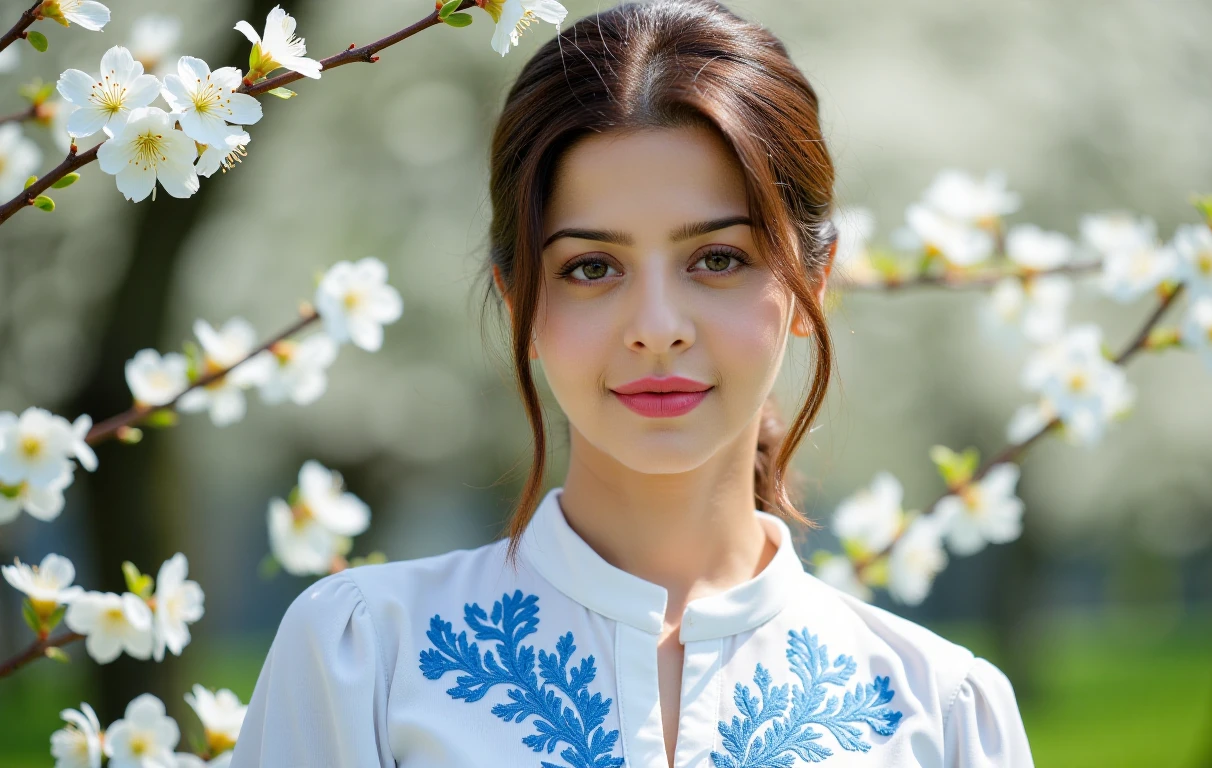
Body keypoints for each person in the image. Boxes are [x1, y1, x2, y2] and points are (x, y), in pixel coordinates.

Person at [230, 0, 1035, 765]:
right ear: (522, 305)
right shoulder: (367, 656)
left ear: (810, 284)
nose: (657, 325)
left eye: (717, 259)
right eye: (591, 267)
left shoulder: (943, 713)